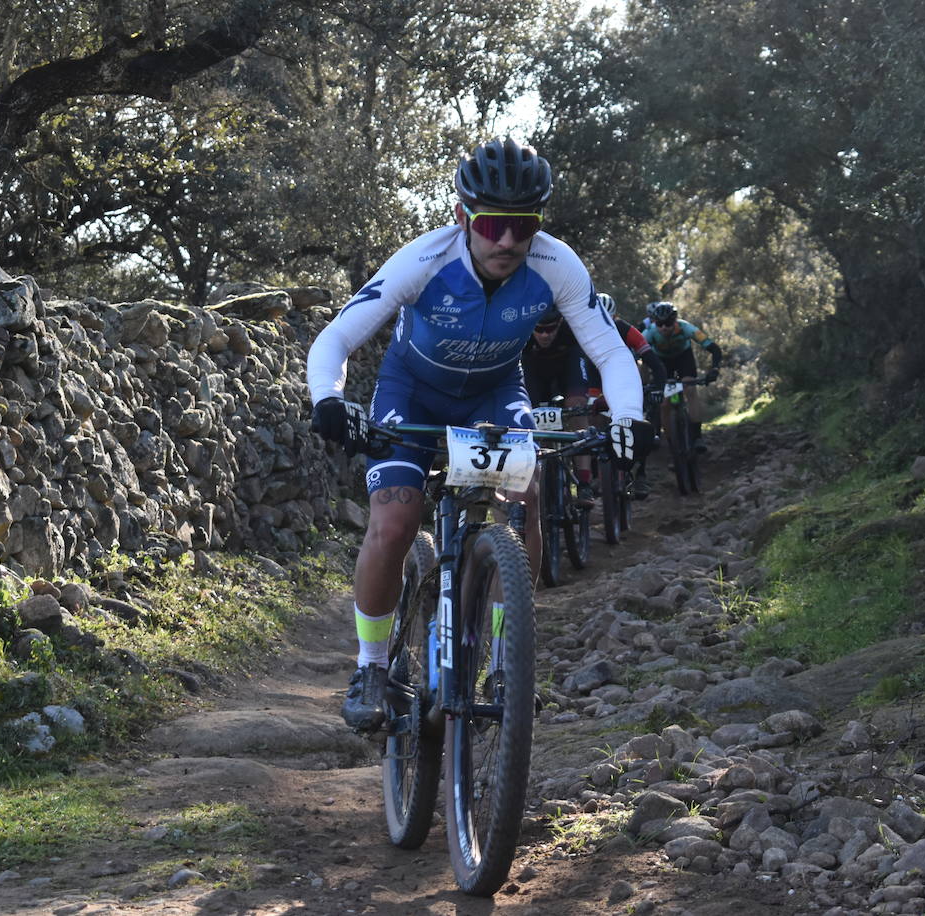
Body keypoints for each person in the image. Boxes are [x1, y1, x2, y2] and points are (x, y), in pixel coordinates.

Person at [305, 138, 653, 732]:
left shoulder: (557, 265)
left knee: (528, 494)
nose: (508, 242)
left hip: (495, 395)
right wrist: (330, 400)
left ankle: (502, 659)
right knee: (394, 521)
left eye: (523, 226)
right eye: (493, 224)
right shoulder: (423, 260)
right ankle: (370, 664)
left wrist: (627, 417)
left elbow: (611, 353)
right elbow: (336, 339)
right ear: (465, 217)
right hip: (410, 390)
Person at [585, 293, 667, 499]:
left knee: (639, 420)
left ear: (616, 317)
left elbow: (654, 363)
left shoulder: (627, 330)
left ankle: (640, 474)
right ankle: (595, 472)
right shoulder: (583, 330)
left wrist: (658, 388)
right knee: (592, 418)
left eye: (609, 319)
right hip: (595, 378)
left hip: (625, 377)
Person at [520, 307, 599, 507]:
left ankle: (584, 481)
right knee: (531, 410)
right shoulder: (522, 335)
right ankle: (542, 478)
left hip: (568, 368)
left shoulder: (572, 331)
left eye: (551, 329)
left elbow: (590, 363)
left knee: (576, 407)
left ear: (560, 323)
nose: (545, 335)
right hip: (535, 372)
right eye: (539, 329)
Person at [644, 301, 723, 451]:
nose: (664, 327)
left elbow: (714, 348)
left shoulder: (686, 328)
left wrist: (715, 369)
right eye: (660, 324)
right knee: (665, 403)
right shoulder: (649, 333)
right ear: (655, 323)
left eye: (668, 323)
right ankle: (673, 446)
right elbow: (634, 355)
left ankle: (697, 436)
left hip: (683, 359)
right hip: (662, 364)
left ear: (675, 321)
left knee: (690, 389)